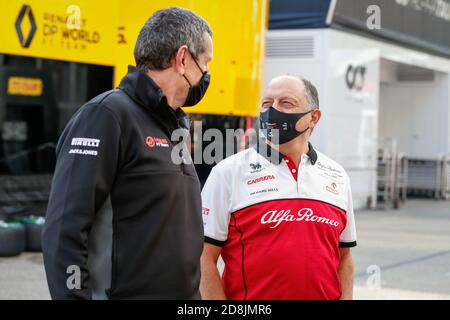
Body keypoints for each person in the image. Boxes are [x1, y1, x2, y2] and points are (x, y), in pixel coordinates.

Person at [42, 7, 213, 299]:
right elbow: (64, 232)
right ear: (183, 59)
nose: (207, 74)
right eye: (206, 63)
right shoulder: (106, 116)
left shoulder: (174, 124)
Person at [200, 75, 357, 300]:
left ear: (314, 117)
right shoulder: (228, 173)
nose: (272, 111)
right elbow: (204, 258)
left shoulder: (337, 175)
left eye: (286, 103)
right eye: (267, 104)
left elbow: (345, 258)